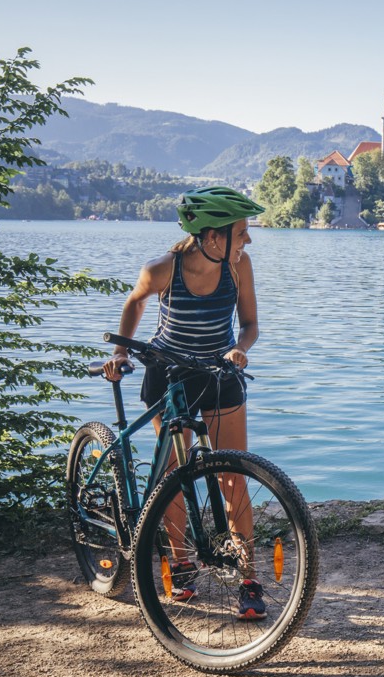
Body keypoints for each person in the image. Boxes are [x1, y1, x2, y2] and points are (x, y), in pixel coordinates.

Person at [102, 186, 268, 620]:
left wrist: (240, 348)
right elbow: (135, 302)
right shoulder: (162, 269)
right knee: (175, 477)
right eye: (241, 232)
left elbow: (250, 324)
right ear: (213, 237)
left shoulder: (238, 266)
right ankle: (180, 565)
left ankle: (248, 579)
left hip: (219, 372)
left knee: (233, 476)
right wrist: (120, 353)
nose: (248, 240)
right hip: (168, 374)